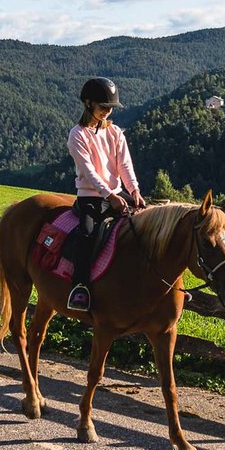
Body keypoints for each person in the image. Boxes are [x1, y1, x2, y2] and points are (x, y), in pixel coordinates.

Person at [65, 77, 145, 312]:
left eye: (110, 108)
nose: (108, 111)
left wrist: (135, 190)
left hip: (117, 192)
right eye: (103, 107)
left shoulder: (116, 133)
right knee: (87, 234)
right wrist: (109, 195)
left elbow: (125, 165)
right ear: (88, 104)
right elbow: (89, 172)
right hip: (91, 196)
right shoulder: (77, 135)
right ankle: (80, 288)